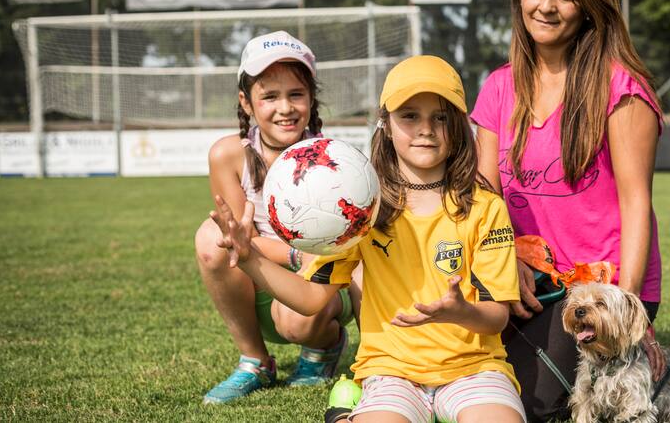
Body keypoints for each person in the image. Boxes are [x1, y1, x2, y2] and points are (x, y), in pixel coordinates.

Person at [211, 55, 526, 423]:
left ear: (458, 125)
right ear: (386, 125)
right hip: (391, 371)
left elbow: (496, 318)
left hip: (474, 369)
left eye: (440, 117)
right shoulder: (361, 208)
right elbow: (311, 299)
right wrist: (249, 258)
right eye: (410, 116)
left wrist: (462, 312)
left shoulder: (485, 207)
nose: (426, 129)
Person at [470, 0, 667, 422]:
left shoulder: (621, 88)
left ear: (590, 4)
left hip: (600, 291)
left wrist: (628, 313)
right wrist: (505, 262)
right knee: (460, 363)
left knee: (526, 405)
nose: (546, 6)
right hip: (523, 280)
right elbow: (485, 197)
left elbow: (636, 204)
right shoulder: (498, 87)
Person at [195, 31, 357, 404]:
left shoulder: (334, 157)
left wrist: (312, 261)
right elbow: (241, 239)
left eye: (295, 94)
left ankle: (324, 345)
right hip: (262, 280)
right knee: (212, 237)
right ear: (246, 102)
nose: (285, 108)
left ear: (311, 97)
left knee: (296, 320)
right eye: (270, 96)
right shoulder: (227, 155)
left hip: (322, 286)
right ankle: (255, 361)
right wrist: (298, 255)